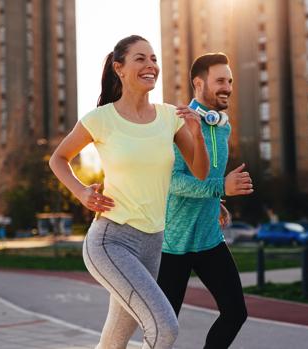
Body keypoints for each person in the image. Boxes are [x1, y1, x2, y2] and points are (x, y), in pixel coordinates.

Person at [49, 35, 209, 349]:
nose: (151, 65)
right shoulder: (101, 119)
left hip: (152, 243)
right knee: (164, 329)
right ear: (119, 68)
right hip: (111, 241)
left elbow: (199, 172)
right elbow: (59, 158)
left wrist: (198, 136)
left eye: (154, 59)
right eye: (141, 58)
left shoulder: (169, 118)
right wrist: (81, 192)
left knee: (114, 341)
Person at [157, 52, 253, 349]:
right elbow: (172, 182)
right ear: (199, 83)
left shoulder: (223, 125)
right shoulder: (178, 124)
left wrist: (217, 200)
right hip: (174, 243)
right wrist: (219, 188)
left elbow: (205, 176)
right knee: (164, 327)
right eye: (220, 80)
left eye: (230, 81)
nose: (228, 87)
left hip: (209, 238)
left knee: (236, 312)